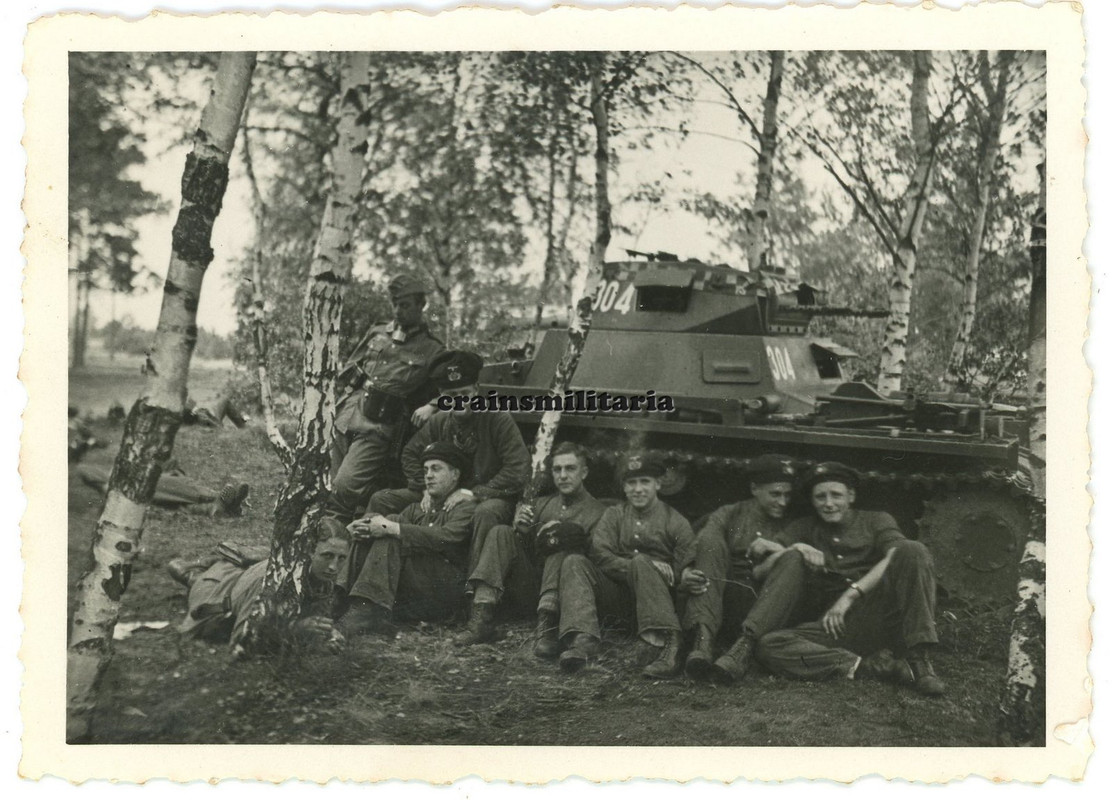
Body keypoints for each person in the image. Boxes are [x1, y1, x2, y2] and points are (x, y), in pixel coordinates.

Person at [756, 462, 946, 696]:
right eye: (820, 497)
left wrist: (850, 594)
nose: (828, 504)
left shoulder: (876, 520)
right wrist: (794, 548)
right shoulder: (804, 527)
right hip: (838, 628)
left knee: (913, 549)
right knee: (770, 645)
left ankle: (919, 661)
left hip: (880, 613)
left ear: (851, 496)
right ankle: (871, 667)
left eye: (836, 495)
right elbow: (761, 570)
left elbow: (898, 553)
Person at [368, 350, 530, 580]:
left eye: (465, 393)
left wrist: (474, 493)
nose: (459, 400)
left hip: (490, 496)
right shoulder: (440, 421)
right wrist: (425, 487)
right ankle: (367, 576)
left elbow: (518, 468)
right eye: (451, 395)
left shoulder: (496, 418)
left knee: (485, 513)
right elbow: (410, 453)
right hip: (444, 495)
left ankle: (474, 589)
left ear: (476, 390)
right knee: (381, 499)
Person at [455, 441, 607, 653]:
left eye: (570, 468)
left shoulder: (598, 512)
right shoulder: (542, 503)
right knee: (501, 532)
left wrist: (565, 536)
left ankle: (548, 630)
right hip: (532, 590)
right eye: (557, 469)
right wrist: (521, 531)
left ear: (584, 472)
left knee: (563, 541)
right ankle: (482, 617)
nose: (563, 475)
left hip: (567, 600)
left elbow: (593, 564)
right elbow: (528, 554)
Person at [557, 453, 695, 679]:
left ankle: (669, 646)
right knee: (574, 561)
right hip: (619, 599)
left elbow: (685, 567)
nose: (637, 489)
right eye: (631, 483)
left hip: (658, 608)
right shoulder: (614, 515)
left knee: (642, 562)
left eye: (645, 482)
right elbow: (600, 555)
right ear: (624, 486)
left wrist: (657, 571)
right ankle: (583, 640)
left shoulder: (675, 521)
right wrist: (638, 566)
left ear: (658, 484)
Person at [326, 274, 445, 523]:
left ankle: (336, 532)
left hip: (378, 426)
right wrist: (361, 382)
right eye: (394, 304)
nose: (398, 311)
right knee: (327, 483)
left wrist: (432, 406)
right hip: (346, 416)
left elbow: (451, 390)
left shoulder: (433, 348)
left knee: (345, 486)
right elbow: (349, 368)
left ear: (421, 305)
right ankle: (328, 534)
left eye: (405, 305)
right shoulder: (378, 331)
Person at [681, 454, 808, 684]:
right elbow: (702, 542)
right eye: (775, 494)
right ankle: (703, 640)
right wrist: (687, 570)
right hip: (723, 598)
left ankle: (743, 649)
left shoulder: (796, 521)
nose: (783, 502)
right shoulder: (731, 513)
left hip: (767, 605)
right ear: (754, 488)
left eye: (787, 494)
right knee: (709, 541)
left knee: (794, 558)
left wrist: (784, 550)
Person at [337, 442, 477, 636]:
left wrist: (391, 527)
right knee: (380, 526)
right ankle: (340, 598)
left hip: (445, 593)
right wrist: (361, 527)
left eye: (436, 469)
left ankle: (364, 610)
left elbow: (447, 538)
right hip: (416, 591)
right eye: (426, 469)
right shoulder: (418, 508)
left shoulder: (466, 508)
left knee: (391, 526)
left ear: (455, 475)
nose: (428, 475)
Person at [168, 518, 351, 652]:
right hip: (215, 601)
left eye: (341, 558)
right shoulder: (274, 579)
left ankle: (206, 567)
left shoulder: (322, 574)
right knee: (207, 581)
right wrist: (296, 629)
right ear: (308, 551)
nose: (334, 566)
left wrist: (328, 635)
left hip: (239, 580)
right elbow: (242, 642)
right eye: (327, 556)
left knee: (245, 569)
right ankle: (191, 574)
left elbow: (308, 612)